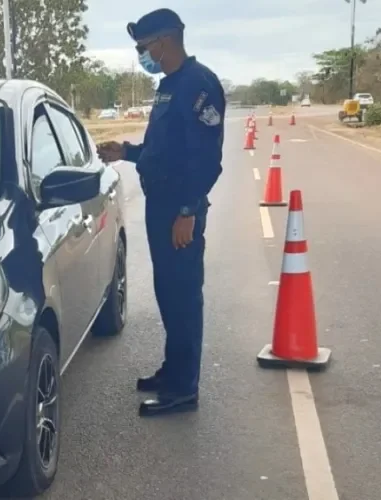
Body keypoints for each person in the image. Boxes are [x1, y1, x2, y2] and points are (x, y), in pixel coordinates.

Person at [97, 8, 225, 417]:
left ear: (164, 42)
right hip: (162, 204)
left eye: (144, 47)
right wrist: (128, 153)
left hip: (178, 210)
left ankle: (184, 389)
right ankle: (173, 372)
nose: (142, 55)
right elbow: (165, 153)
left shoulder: (198, 84)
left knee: (184, 296)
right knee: (169, 294)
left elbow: (205, 159)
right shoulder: (170, 85)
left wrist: (188, 211)